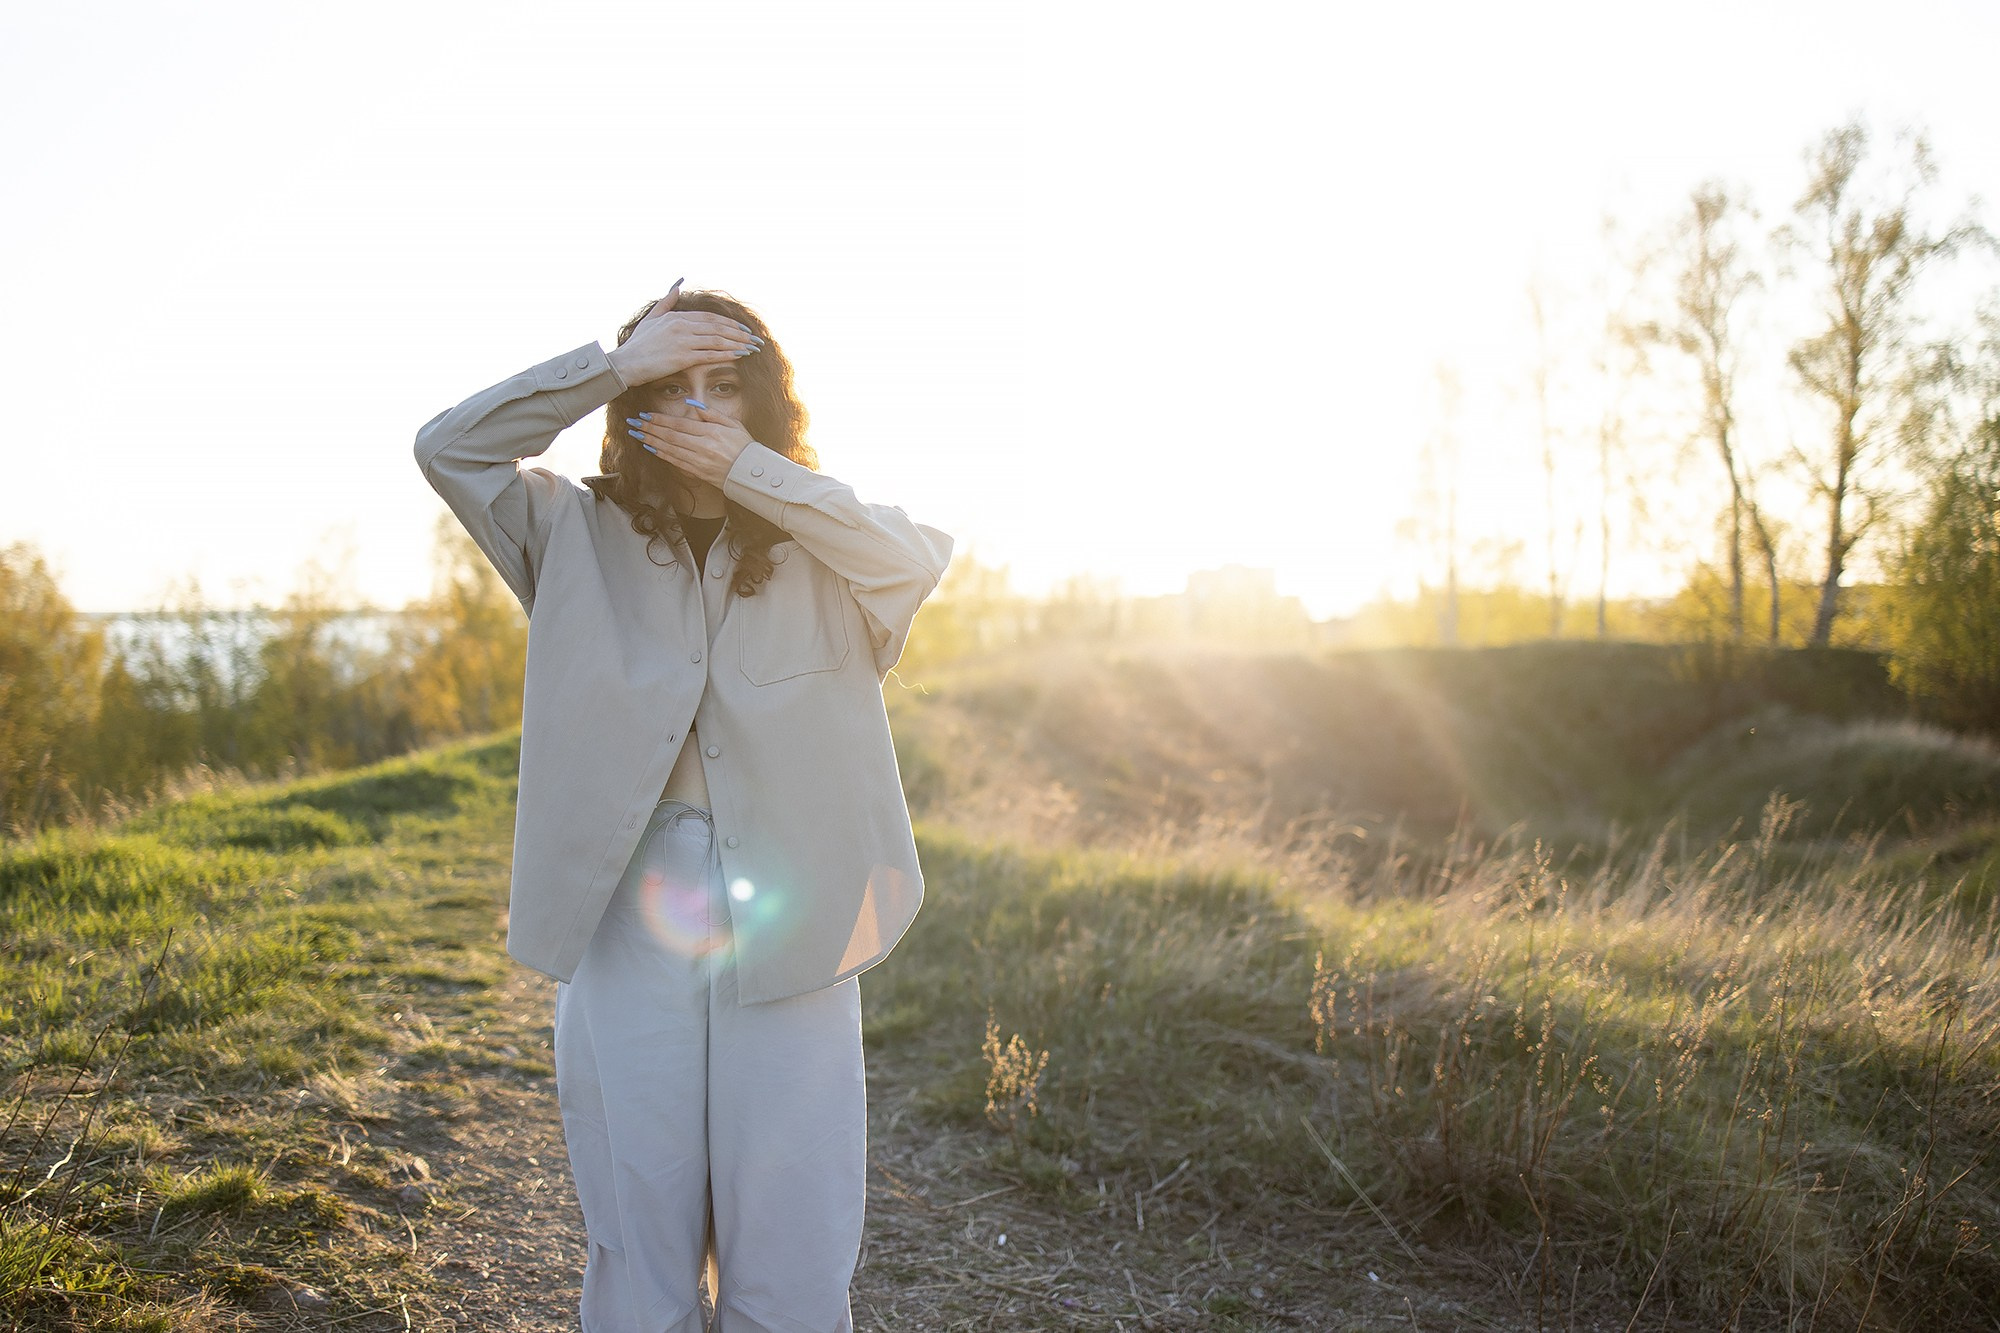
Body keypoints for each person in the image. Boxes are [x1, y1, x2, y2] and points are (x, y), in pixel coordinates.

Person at [412, 280, 954, 1332]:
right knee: (639, 1210)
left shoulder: (830, 550)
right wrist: (610, 364)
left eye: (724, 387)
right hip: (630, 904)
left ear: (764, 404)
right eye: (670, 388)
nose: (699, 409)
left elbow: (913, 555)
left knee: (791, 1227)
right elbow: (451, 449)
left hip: (797, 904)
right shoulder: (567, 530)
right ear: (632, 414)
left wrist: (752, 474)